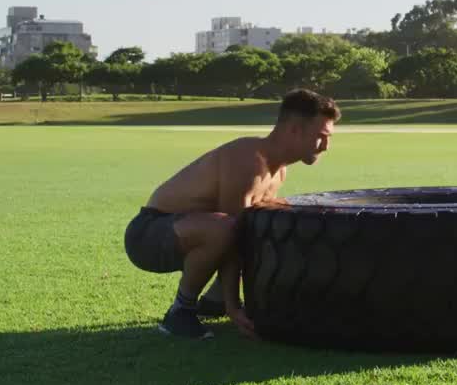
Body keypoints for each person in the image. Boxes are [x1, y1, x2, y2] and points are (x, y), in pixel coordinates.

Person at [123, 88, 340, 339]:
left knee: (264, 223)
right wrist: (233, 305)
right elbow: (232, 234)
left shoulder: (278, 173)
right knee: (227, 227)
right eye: (321, 136)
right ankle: (180, 312)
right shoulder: (248, 159)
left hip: (192, 231)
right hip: (149, 234)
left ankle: (213, 302)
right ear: (294, 130)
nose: (326, 146)